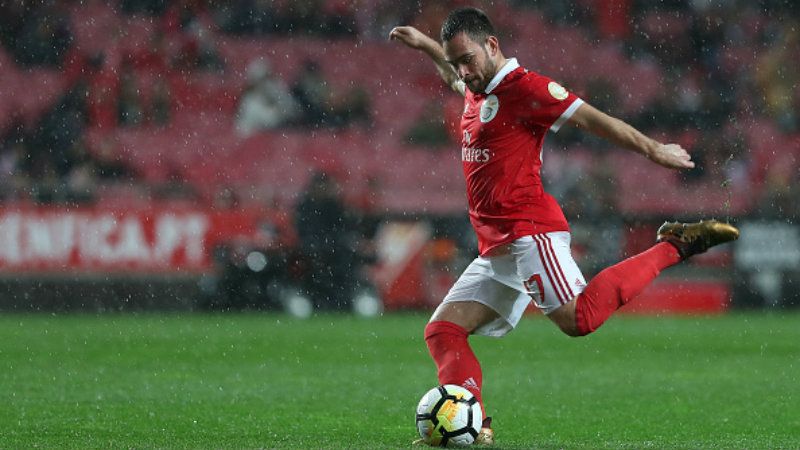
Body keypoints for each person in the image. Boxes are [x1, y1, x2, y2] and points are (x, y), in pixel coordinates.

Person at [389, 7, 739, 446]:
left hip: (529, 231)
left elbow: (592, 119)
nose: (463, 70)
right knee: (442, 331)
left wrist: (653, 150)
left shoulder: (526, 88)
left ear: (493, 46)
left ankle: (676, 245)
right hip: (496, 245)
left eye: (468, 59)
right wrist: (428, 48)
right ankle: (475, 422)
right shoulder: (479, 88)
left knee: (580, 319)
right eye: (457, 60)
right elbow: (453, 79)